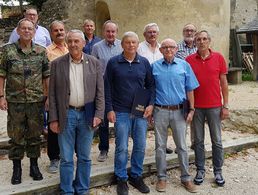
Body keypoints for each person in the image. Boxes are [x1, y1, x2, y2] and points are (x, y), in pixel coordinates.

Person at [48, 29, 104, 194]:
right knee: (66, 158)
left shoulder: (94, 62)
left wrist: (99, 114)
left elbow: (100, 91)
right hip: (67, 114)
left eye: (76, 41)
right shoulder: (57, 64)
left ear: (83, 43)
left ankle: (82, 189)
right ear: (67, 43)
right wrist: (53, 119)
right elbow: (51, 94)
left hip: (87, 115)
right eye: (70, 41)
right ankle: (67, 190)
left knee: (84, 157)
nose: (73, 44)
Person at [0, 18, 50, 184]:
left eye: (30, 29)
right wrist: (1, 97)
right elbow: (1, 75)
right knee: (16, 136)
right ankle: (17, 168)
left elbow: (46, 76)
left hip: (36, 101)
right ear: (18, 31)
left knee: (35, 135)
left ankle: (34, 166)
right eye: (24, 28)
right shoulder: (8, 51)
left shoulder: (41, 51)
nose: (27, 31)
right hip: (15, 102)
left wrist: (47, 96)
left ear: (34, 32)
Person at [105, 31, 154, 195]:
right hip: (121, 111)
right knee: (122, 147)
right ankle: (121, 177)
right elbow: (107, 87)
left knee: (140, 145)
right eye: (127, 42)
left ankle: (136, 175)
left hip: (140, 111)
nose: (131, 45)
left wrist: (151, 105)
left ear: (138, 44)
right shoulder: (113, 63)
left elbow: (151, 86)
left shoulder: (144, 62)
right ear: (122, 44)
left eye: (134, 42)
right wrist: (109, 108)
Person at [152, 38, 199, 193]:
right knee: (160, 146)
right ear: (161, 50)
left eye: (171, 47)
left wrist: (191, 110)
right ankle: (161, 178)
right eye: (165, 47)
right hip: (160, 111)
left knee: (182, 146)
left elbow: (190, 89)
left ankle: (186, 178)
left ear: (176, 49)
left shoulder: (184, 65)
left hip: (180, 111)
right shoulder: (154, 67)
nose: (168, 50)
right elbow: (149, 90)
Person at [186, 30, 229, 187]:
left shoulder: (218, 58)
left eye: (204, 39)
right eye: (198, 39)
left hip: (215, 107)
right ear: (195, 42)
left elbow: (224, 83)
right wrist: (188, 108)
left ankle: (218, 170)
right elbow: (186, 85)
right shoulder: (189, 60)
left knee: (217, 140)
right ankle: (200, 170)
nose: (201, 41)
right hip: (196, 107)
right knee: (198, 141)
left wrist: (226, 106)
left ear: (209, 41)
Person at [92, 20, 123, 162]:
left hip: (120, 89)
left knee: (120, 120)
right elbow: (93, 68)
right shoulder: (97, 47)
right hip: (103, 88)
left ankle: (121, 148)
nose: (110, 34)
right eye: (108, 31)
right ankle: (103, 149)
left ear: (116, 32)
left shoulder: (123, 46)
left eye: (113, 31)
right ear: (104, 32)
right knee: (103, 121)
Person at [45, 20, 69, 174]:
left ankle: (67, 155)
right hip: (54, 94)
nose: (59, 32)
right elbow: (45, 76)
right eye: (56, 30)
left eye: (61, 30)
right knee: (54, 125)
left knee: (68, 126)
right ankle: (54, 158)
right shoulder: (47, 52)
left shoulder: (70, 48)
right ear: (51, 33)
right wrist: (47, 96)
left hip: (71, 95)